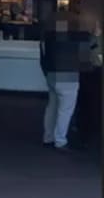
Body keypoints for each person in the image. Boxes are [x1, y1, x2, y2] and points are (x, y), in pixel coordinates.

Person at [40, 16, 95, 149]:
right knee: (65, 110)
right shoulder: (78, 36)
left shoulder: (48, 36)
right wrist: (95, 37)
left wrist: (46, 73)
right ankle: (60, 140)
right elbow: (85, 60)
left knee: (52, 107)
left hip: (51, 75)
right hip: (68, 76)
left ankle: (48, 137)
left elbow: (42, 57)